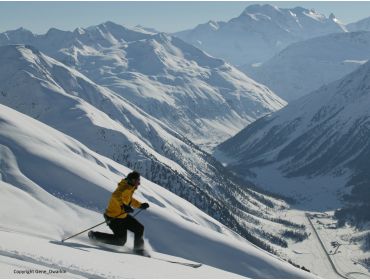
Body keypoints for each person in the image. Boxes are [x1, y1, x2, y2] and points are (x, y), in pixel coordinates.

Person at [88, 171, 150, 253]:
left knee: (139, 228)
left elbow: (130, 200)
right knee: (120, 241)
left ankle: (138, 249)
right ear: (132, 180)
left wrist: (140, 205)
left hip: (122, 216)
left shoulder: (130, 188)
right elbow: (115, 195)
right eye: (138, 181)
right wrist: (123, 206)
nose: (139, 183)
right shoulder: (124, 187)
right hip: (113, 217)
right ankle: (94, 236)